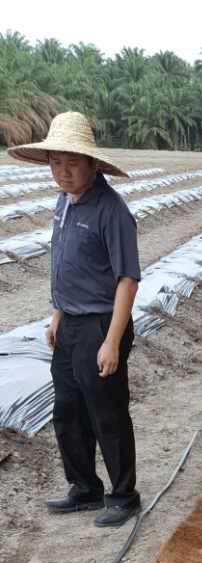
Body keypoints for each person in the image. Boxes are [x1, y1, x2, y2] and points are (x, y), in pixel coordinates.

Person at [8, 112, 142, 528]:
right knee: (67, 409)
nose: (63, 173)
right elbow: (65, 266)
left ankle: (124, 496)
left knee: (107, 413)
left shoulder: (111, 211)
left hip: (101, 324)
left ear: (92, 164)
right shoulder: (63, 203)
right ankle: (84, 487)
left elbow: (127, 279)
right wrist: (56, 316)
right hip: (68, 326)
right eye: (55, 163)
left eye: (72, 163)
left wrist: (112, 341)